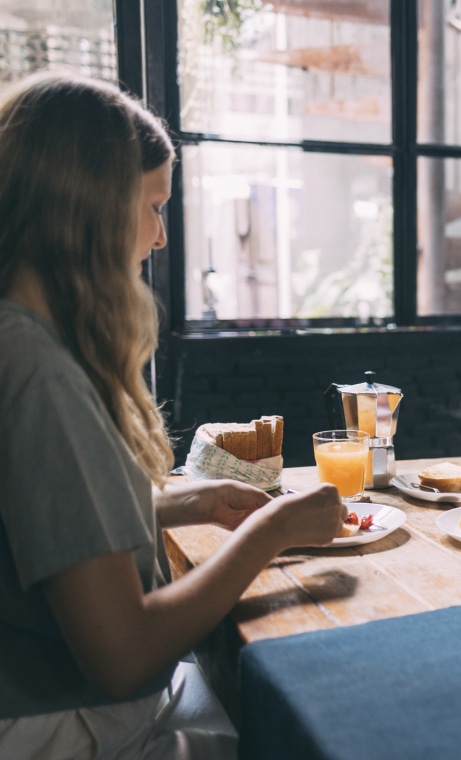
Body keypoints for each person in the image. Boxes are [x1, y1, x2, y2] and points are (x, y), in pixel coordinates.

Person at [0, 74, 345, 757]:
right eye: (154, 206)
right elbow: (124, 655)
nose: (160, 237)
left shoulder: (21, 340)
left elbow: (40, 519)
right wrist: (270, 532)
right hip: (63, 725)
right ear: (90, 211)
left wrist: (190, 501)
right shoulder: (38, 374)